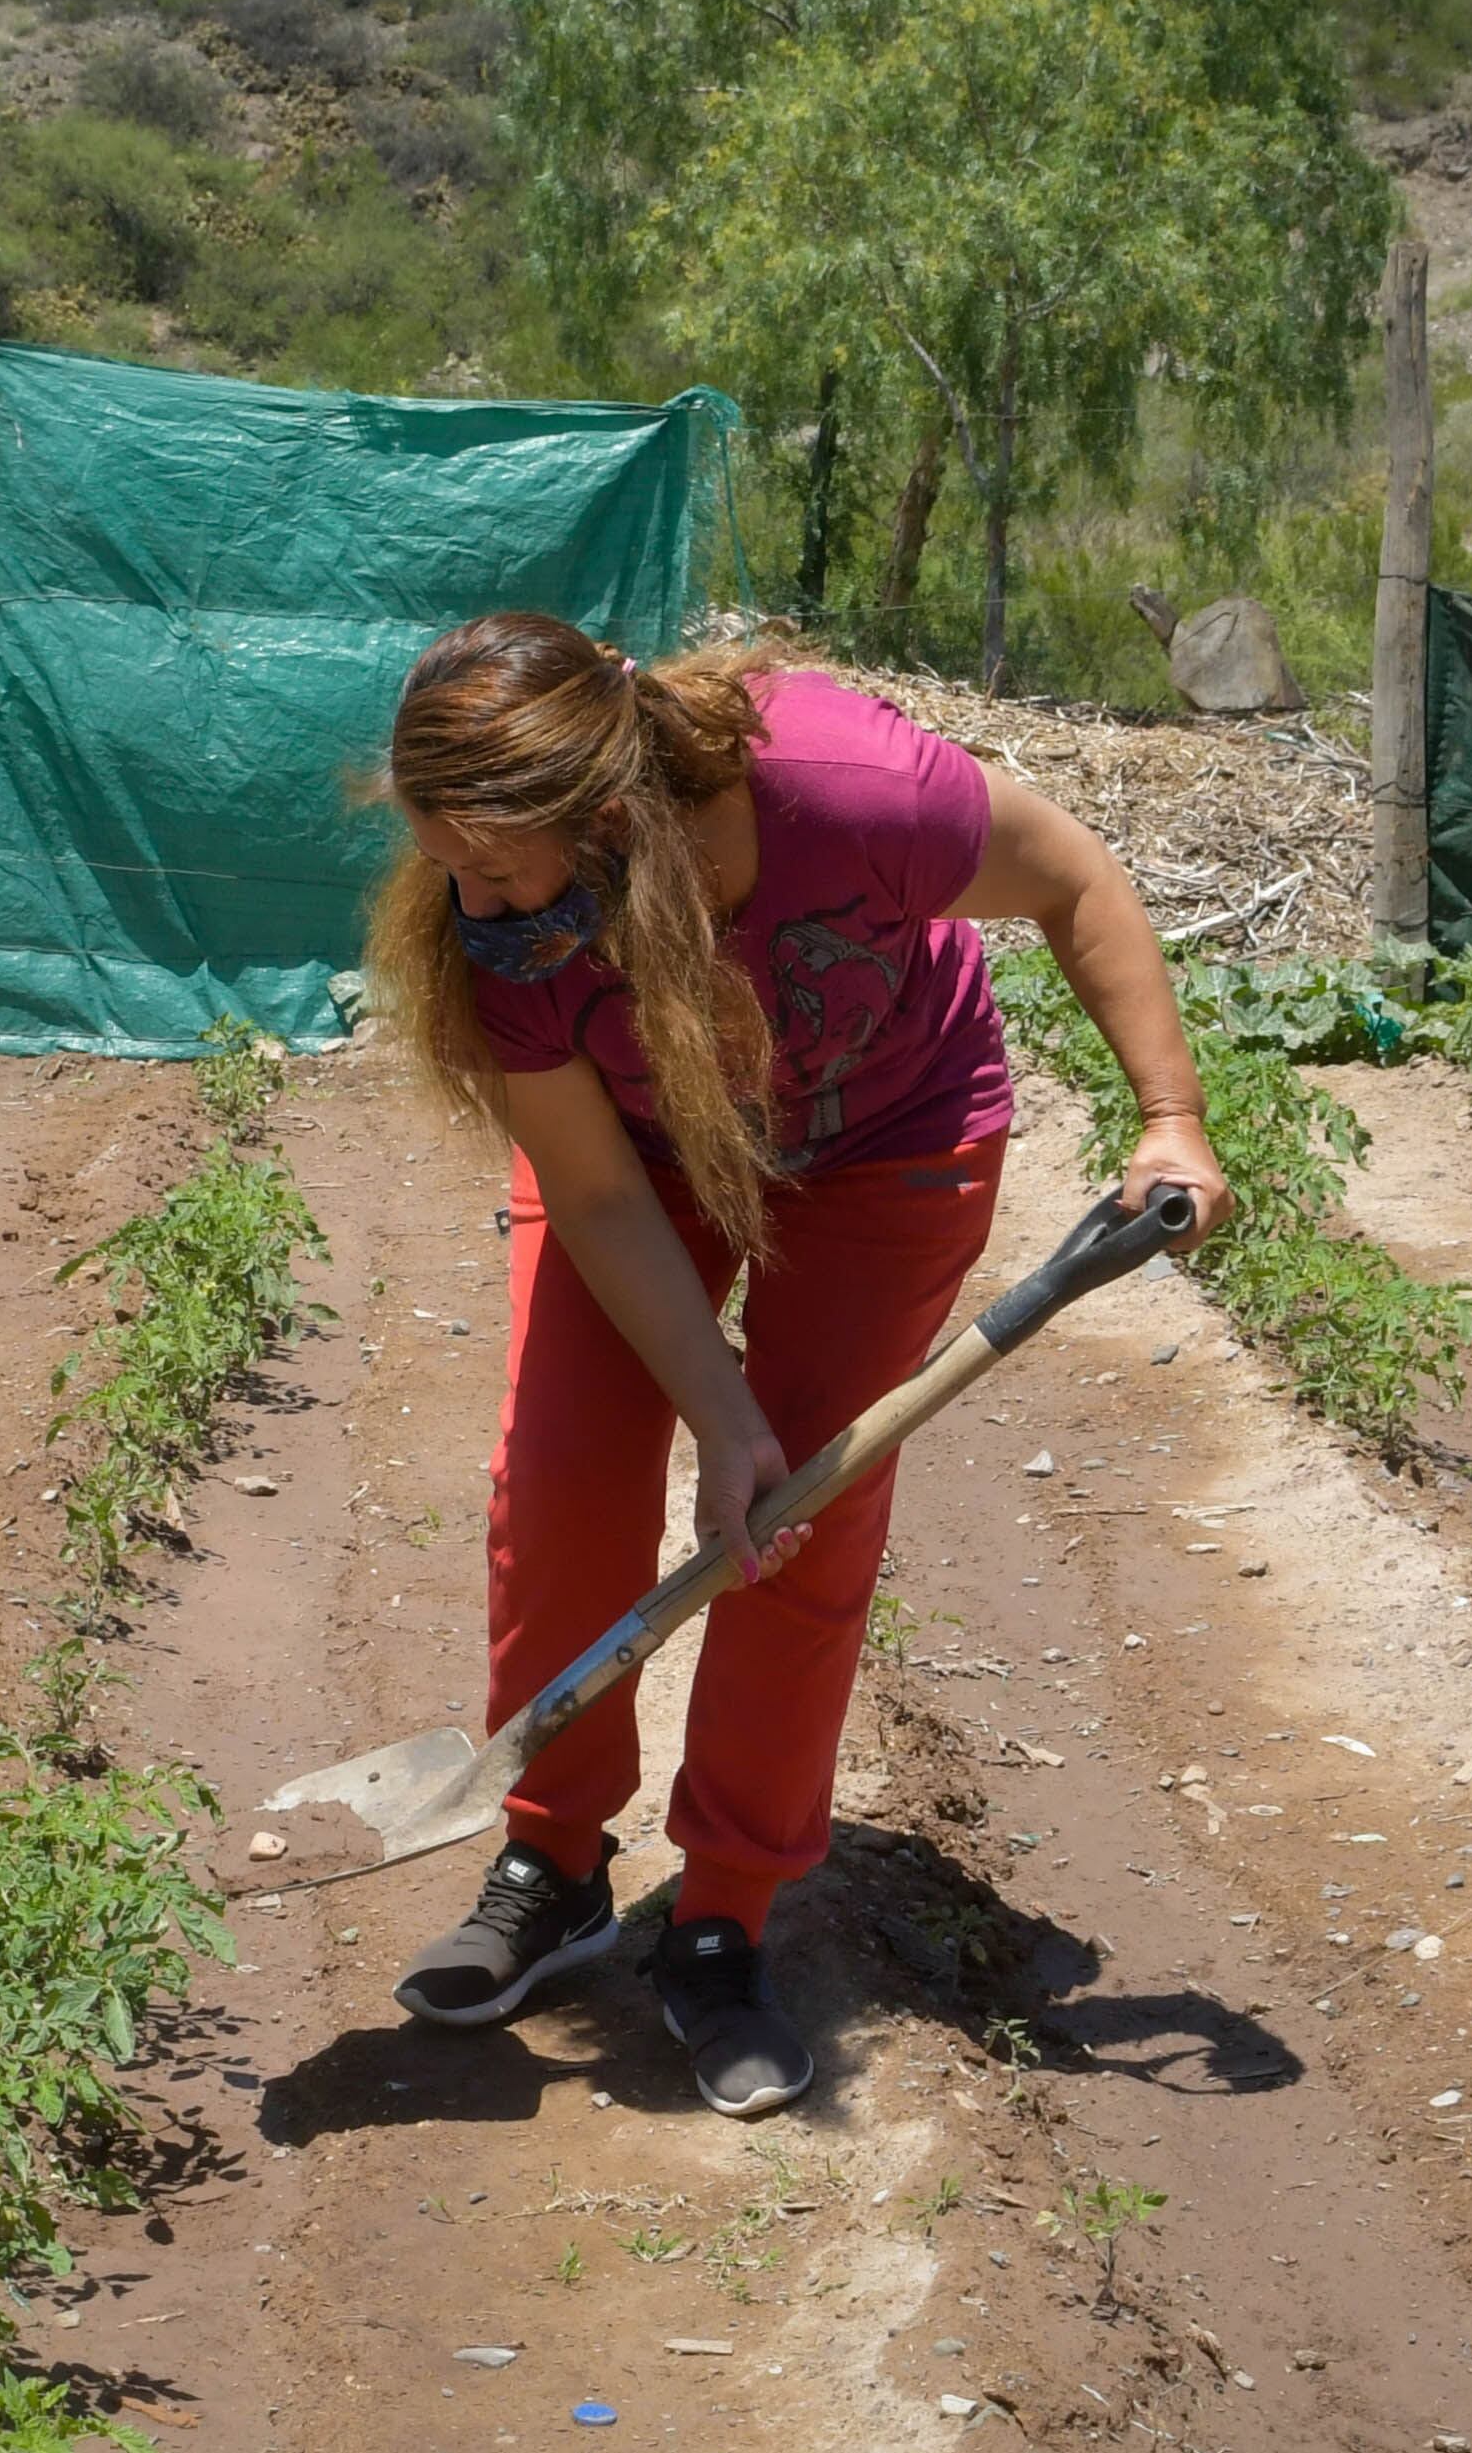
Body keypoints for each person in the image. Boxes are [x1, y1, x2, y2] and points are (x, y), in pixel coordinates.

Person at [361, 613, 1230, 2116]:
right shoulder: (494, 936)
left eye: (501, 867)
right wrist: (718, 1408)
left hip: (888, 1136)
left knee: (798, 1528)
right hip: (642, 1163)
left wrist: (1171, 1116)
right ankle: (553, 1858)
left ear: (614, 818)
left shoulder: (847, 789)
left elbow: (1074, 878)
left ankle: (724, 1915)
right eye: (452, 862)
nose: (474, 900)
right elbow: (603, 1196)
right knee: (563, 1472)